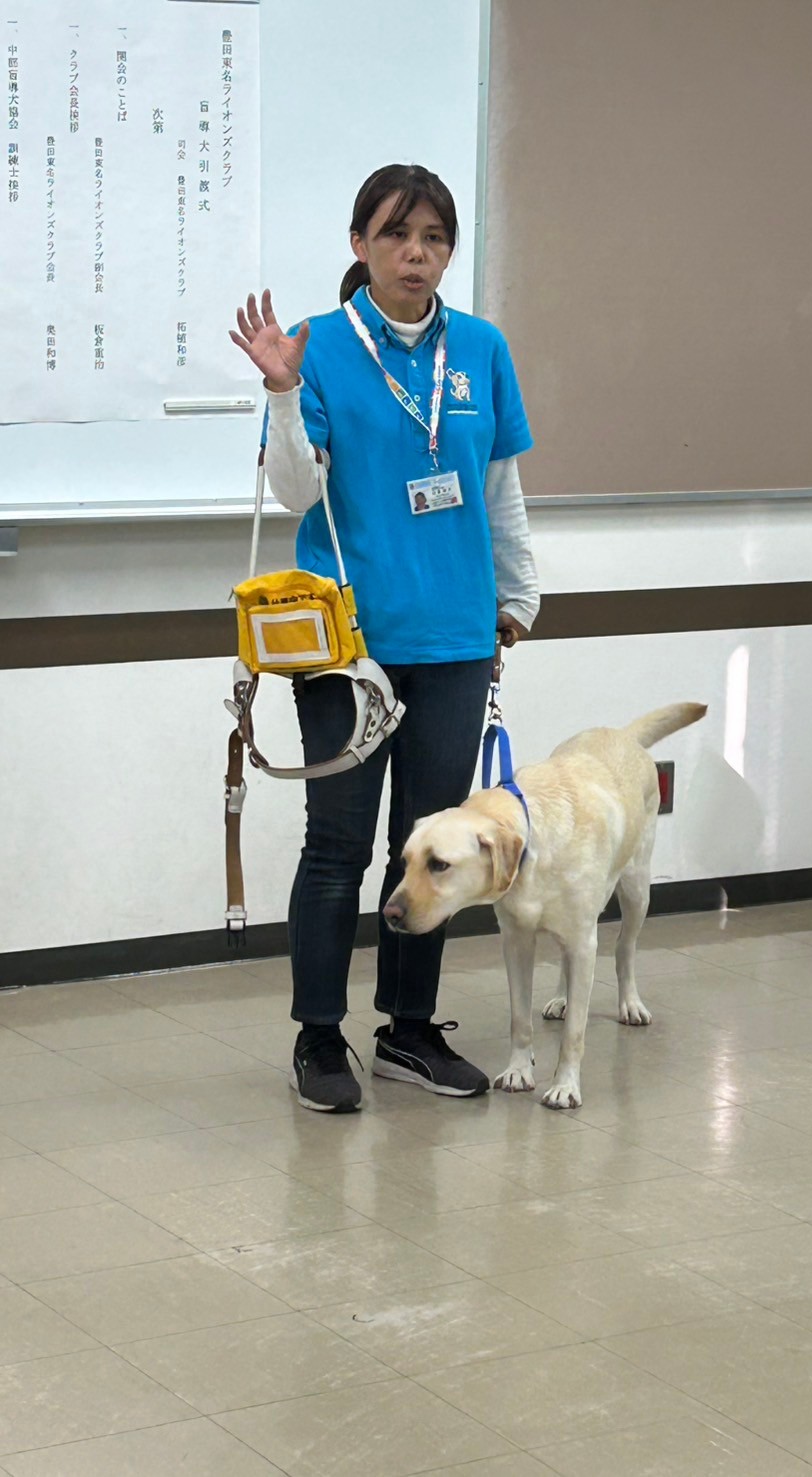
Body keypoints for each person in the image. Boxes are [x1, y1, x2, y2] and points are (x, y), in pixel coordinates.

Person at [229, 163, 539, 1111]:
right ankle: (319, 1038)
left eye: (436, 238)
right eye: (398, 235)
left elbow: (498, 490)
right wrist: (284, 391)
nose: (418, 253)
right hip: (347, 645)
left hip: (455, 633)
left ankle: (408, 1030)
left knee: (437, 843)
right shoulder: (317, 348)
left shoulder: (480, 348)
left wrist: (519, 595)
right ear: (360, 244)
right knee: (339, 845)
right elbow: (295, 489)